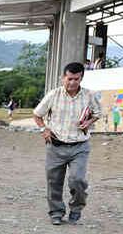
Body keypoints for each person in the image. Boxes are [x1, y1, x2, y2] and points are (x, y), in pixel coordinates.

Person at [33, 62, 102, 225]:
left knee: (77, 180)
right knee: (54, 181)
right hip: (56, 145)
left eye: (76, 79)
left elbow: (98, 113)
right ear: (63, 78)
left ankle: (76, 208)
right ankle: (56, 212)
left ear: (81, 78)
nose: (72, 83)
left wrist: (89, 121)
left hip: (80, 146)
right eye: (69, 79)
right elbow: (37, 114)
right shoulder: (53, 95)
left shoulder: (89, 96)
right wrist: (44, 130)